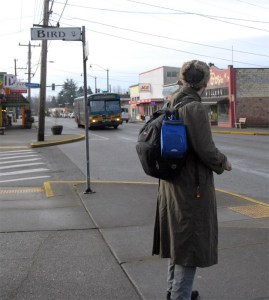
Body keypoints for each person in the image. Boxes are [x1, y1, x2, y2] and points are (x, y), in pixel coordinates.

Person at [152, 60, 232, 300]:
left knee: (180, 240)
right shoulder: (195, 108)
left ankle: (173, 290)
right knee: (190, 242)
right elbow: (206, 149)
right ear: (204, 83)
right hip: (190, 186)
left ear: (184, 80)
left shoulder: (173, 100)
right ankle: (180, 295)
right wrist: (223, 162)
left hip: (172, 181)